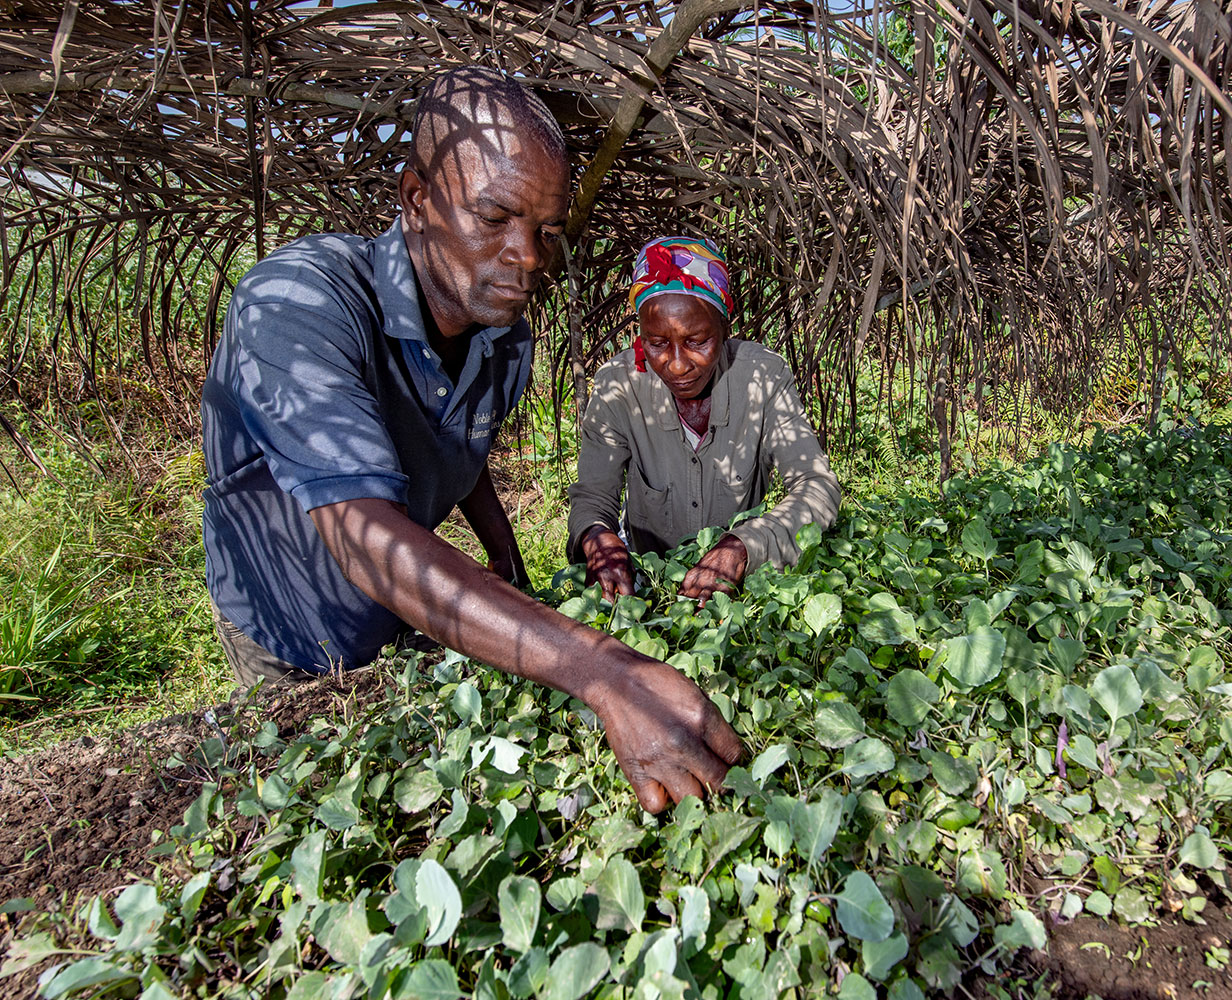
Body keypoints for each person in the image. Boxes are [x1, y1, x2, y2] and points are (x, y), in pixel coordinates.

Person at [200, 67, 741, 812]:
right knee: (309, 817)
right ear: (417, 201)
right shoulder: (298, 304)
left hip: (408, 623)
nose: (528, 256)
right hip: (291, 637)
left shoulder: (502, 339)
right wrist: (605, 669)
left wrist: (507, 561)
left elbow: (457, 453)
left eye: (546, 231)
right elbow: (366, 540)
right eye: (496, 218)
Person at [567, 236, 841, 603]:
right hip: (648, 588)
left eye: (697, 341)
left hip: (738, 593)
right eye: (657, 343)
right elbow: (592, 499)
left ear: (724, 329)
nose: (677, 364)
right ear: (641, 338)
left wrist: (743, 547)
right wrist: (598, 538)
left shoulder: (762, 378)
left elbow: (817, 487)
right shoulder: (618, 387)